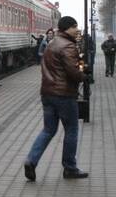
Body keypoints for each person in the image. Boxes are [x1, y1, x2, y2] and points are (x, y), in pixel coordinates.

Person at [22, 16, 88, 181]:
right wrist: (83, 73)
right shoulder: (68, 46)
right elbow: (74, 72)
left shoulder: (51, 44)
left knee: (48, 130)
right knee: (71, 130)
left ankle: (31, 160)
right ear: (68, 28)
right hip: (64, 95)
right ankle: (70, 168)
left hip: (47, 94)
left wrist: (79, 65)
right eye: (75, 27)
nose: (77, 30)